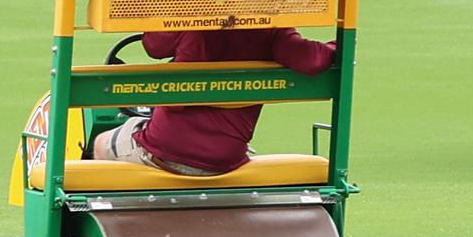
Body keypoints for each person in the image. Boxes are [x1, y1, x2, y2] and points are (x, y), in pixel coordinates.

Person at [91, 27, 335, 174]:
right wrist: (340, 43)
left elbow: (153, 45)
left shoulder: (196, 19)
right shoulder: (273, 31)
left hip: (166, 148)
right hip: (225, 156)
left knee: (101, 143)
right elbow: (313, 60)